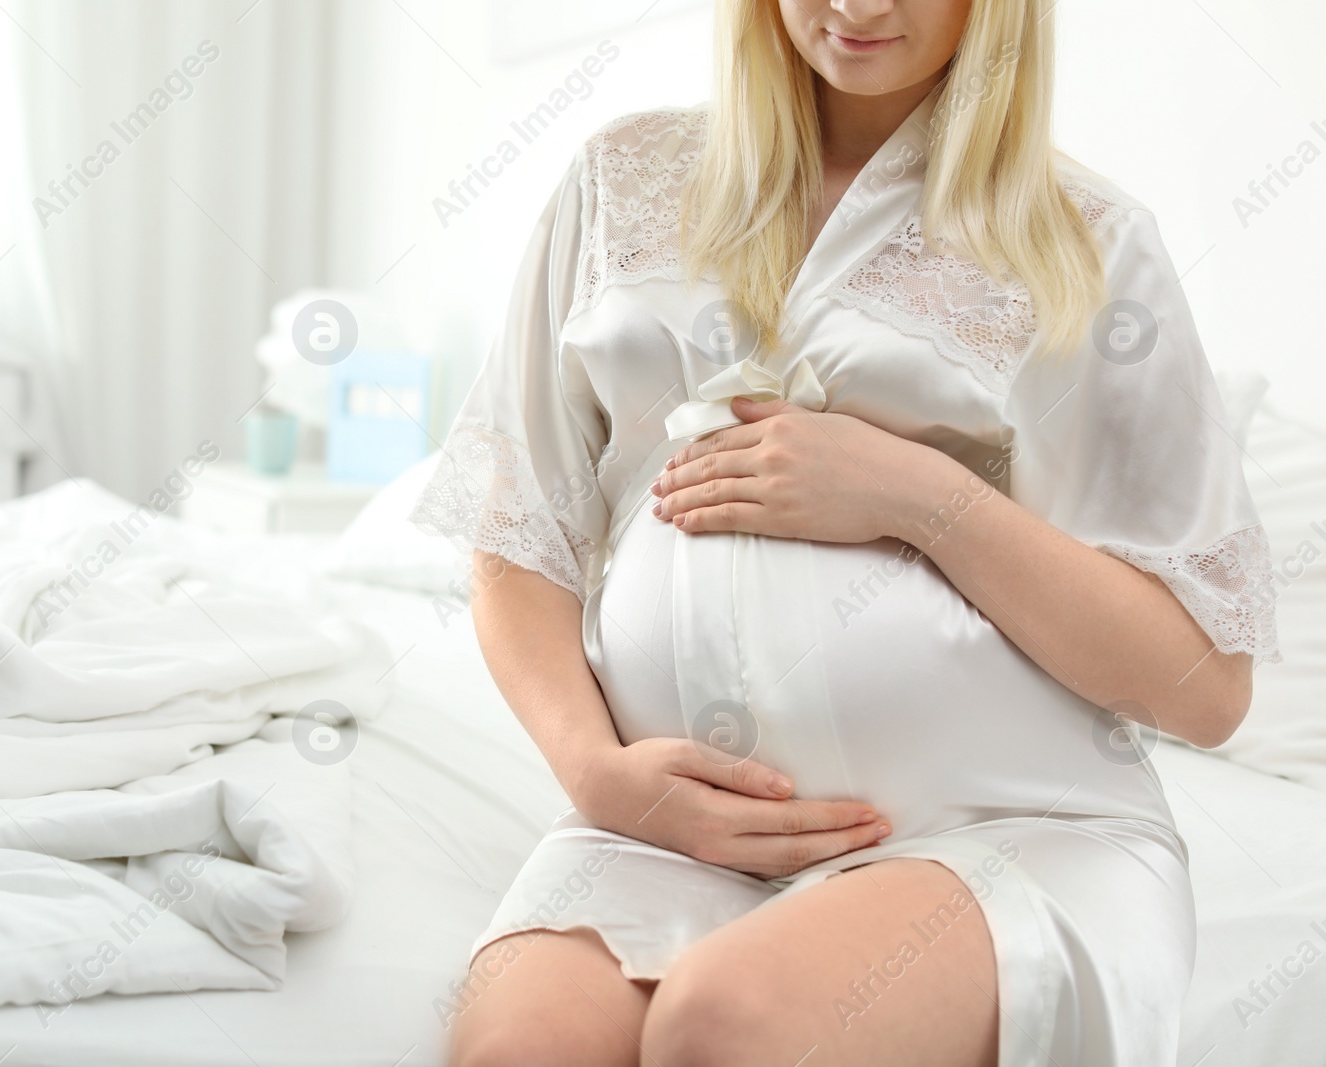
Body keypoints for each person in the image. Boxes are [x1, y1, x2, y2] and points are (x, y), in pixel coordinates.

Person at [410, 1, 1280, 1063]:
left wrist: (918, 493)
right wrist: (594, 769)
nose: (859, 6)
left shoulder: (1088, 243)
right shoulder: (621, 179)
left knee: (719, 1022)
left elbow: (1202, 685)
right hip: (668, 829)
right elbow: (517, 536)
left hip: (993, 829)